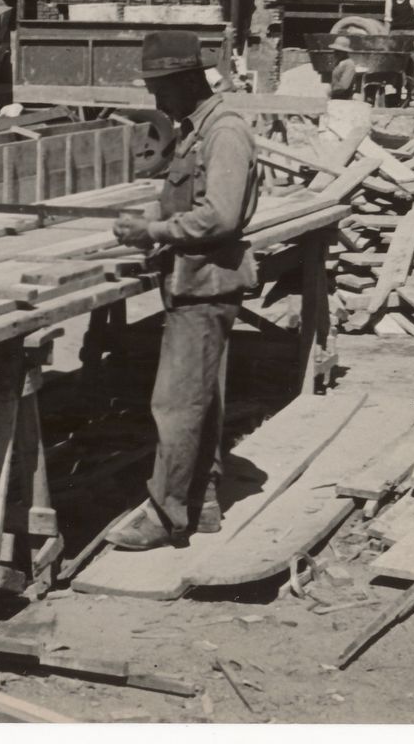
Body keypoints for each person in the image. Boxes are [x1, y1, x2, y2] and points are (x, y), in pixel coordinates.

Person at [105, 31, 260, 551]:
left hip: (206, 282)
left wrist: (154, 231)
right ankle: (204, 500)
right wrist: (150, 216)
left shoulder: (225, 132)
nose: (156, 99)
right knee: (202, 399)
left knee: (176, 404)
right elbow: (185, 199)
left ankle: (166, 515)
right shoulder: (197, 130)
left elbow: (221, 215)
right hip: (194, 279)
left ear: (188, 80)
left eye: (161, 87)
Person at [329, 35, 358, 99]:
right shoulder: (338, 63)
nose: (335, 53)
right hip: (336, 97)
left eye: (339, 51)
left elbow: (344, 86)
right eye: (335, 50)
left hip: (344, 98)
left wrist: (331, 93)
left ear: (345, 52)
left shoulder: (349, 64)